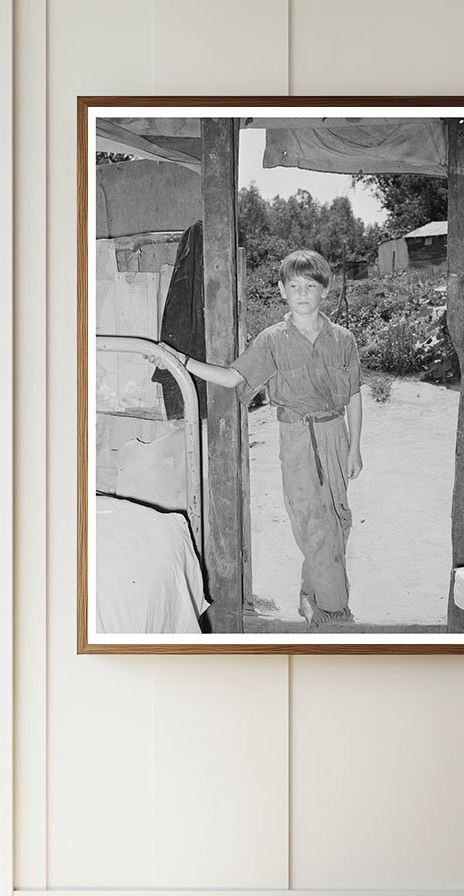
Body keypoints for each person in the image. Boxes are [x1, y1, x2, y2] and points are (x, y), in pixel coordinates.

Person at [158, 249, 363, 628]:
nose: (303, 294)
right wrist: (180, 361)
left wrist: (355, 447)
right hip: (297, 436)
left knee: (338, 520)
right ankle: (335, 616)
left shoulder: (344, 339)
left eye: (311, 286)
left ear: (324, 292)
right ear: (283, 291)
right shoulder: (272, 341)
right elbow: (235, 378)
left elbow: (353, 395)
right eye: (295, 286)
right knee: (314, 524)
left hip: (336, 434)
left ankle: (310, 594)